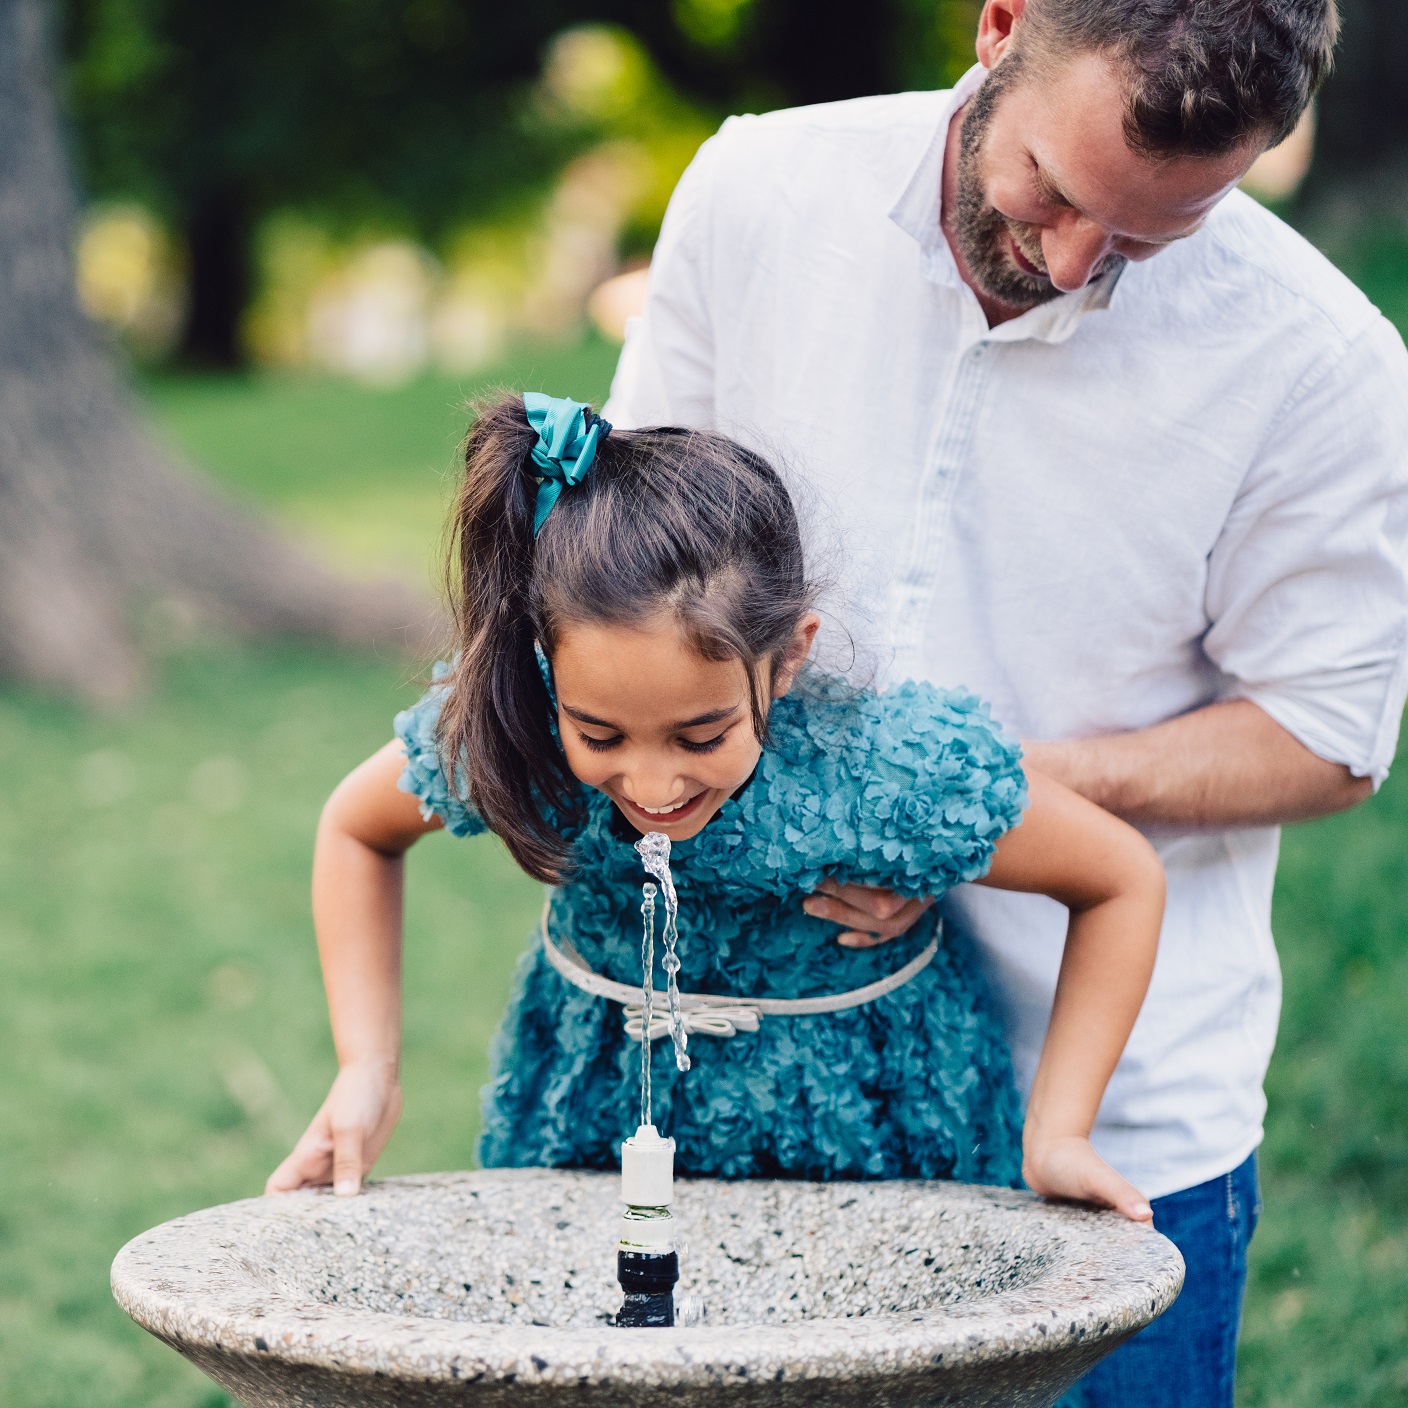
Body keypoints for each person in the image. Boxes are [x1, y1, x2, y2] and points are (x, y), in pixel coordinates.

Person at [599, 0, 1408, 1403]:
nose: (1079, 262)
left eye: (1160, 231)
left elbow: (1329, 738)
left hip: (1113, 1134)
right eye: (1056, 191)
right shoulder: (757, 192)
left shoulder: (1323, 365)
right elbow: (627, 566)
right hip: (781, 1085)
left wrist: (980, 808)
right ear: (1001, 25)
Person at [267, 391, 1165, 1227]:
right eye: (602, 736)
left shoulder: (877, 770)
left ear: (787, 660)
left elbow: (1119, 877)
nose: (653, 789)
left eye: (701, 738)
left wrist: (1059, 1130)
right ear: (550, 667)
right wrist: (366, 1069)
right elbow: (358, 827)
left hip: (869, 1151)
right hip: (594, 1132)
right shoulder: (523, 731)